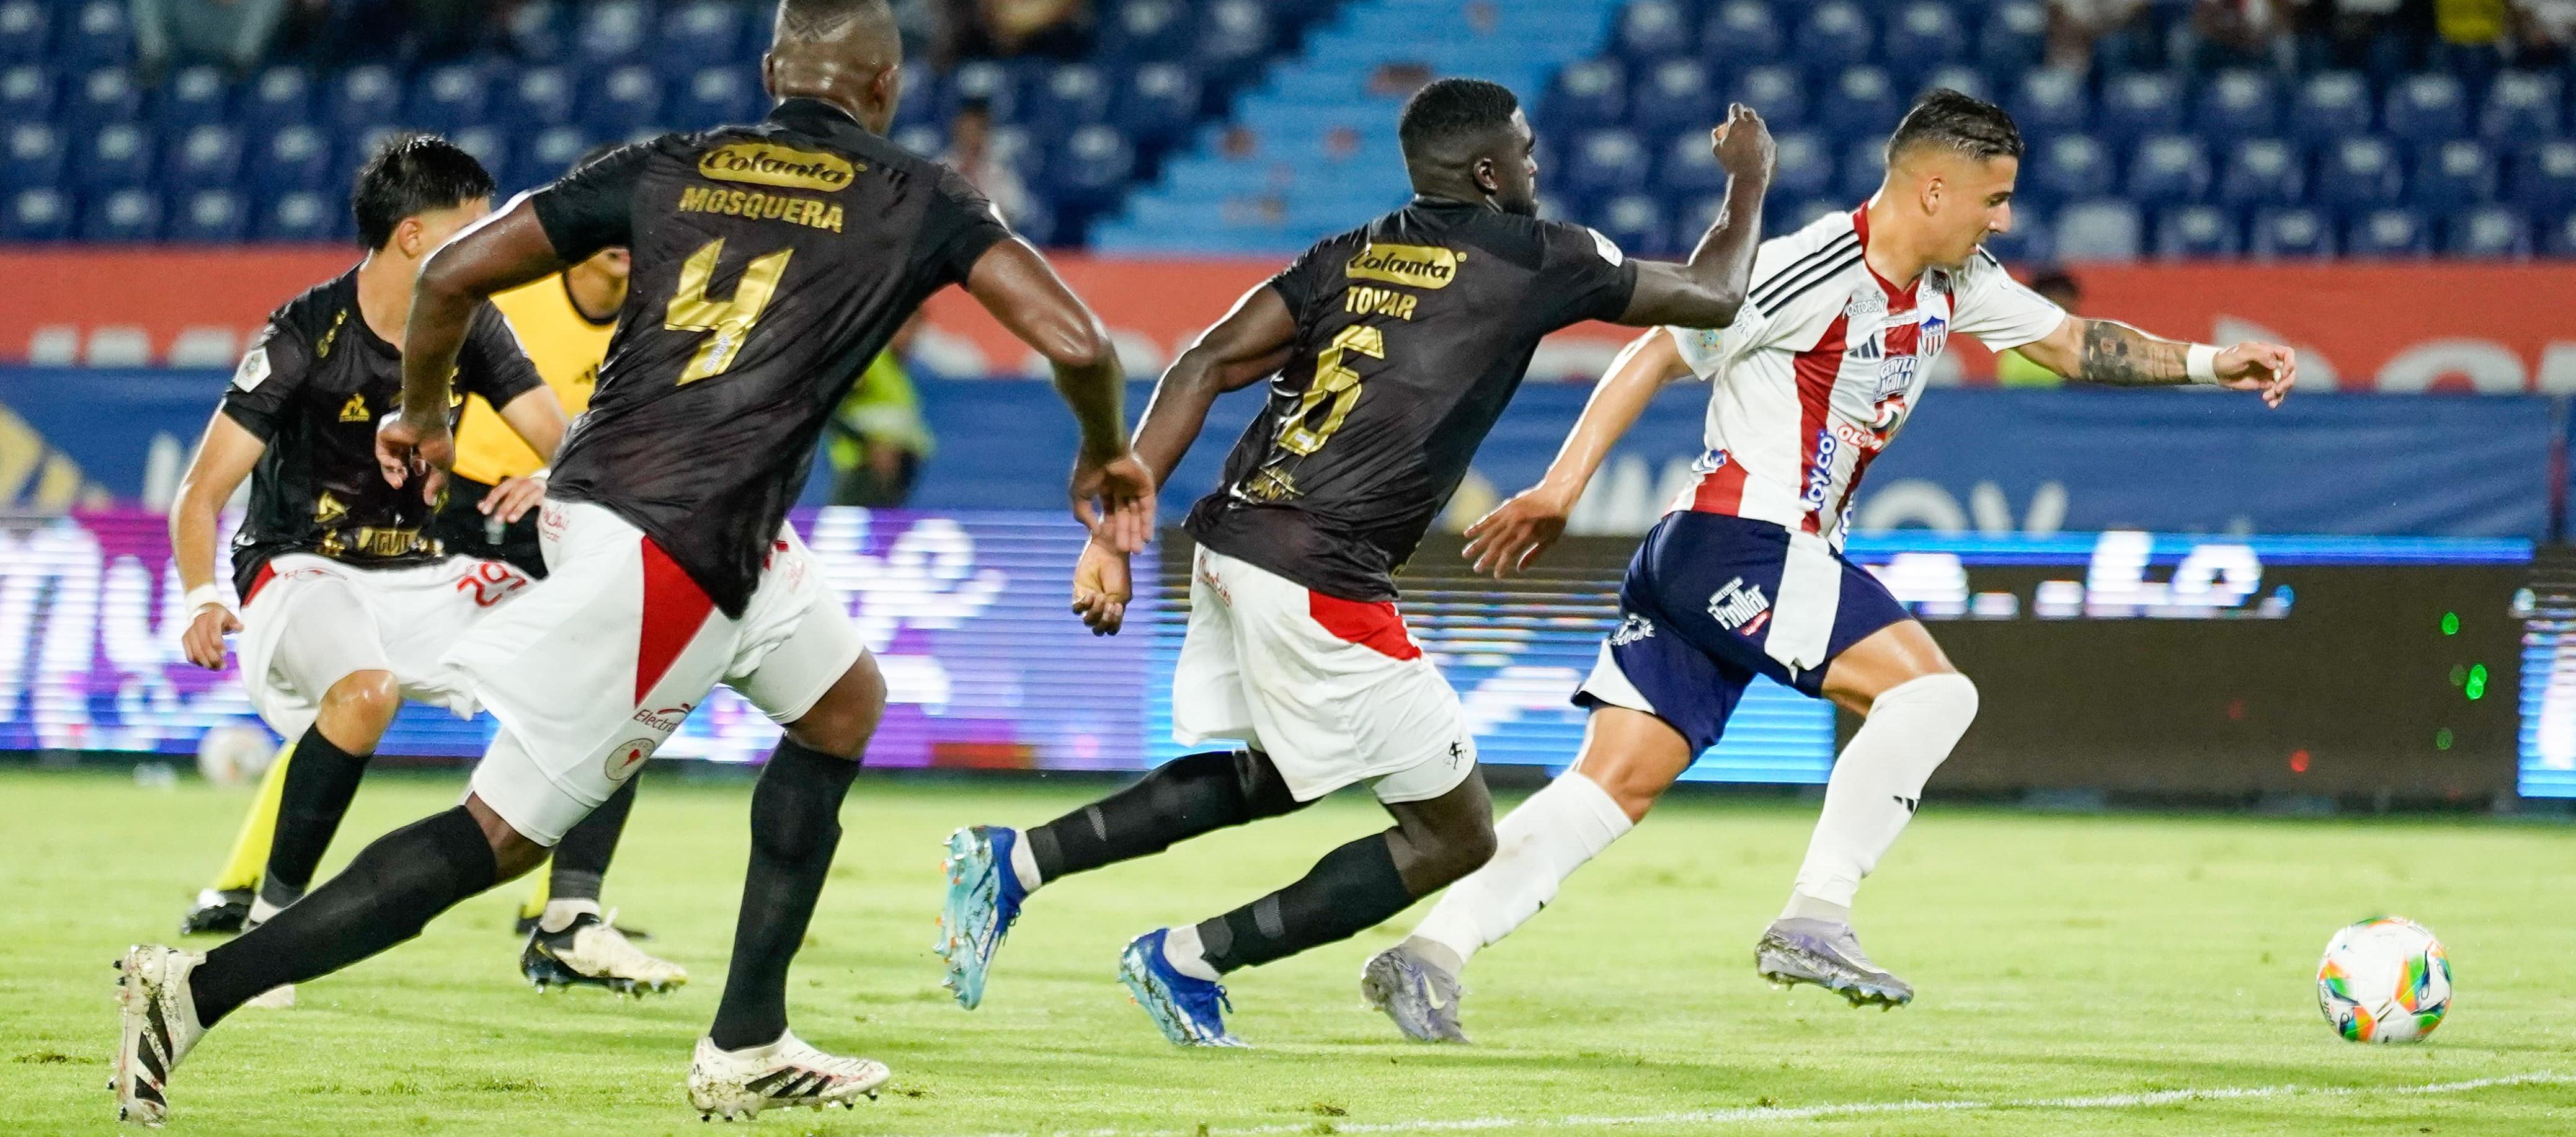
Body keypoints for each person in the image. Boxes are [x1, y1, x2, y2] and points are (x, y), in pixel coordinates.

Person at [111, 0, 1152, 1125]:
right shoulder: (918, 194)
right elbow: (1082, 342)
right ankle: (195, 991)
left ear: (771, 72)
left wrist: (422, 412)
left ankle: (747, 1036)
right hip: (667, 554)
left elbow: (454, 271)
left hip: (699, 528)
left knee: (845, 707)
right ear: (887, 88)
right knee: (500, 840)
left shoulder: (667, 162)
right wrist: (1103, 456)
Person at [1364, 89, 2298, 1042]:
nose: (2004, 219)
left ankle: (1428, 952)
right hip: (1750, 539)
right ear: (1933, 190)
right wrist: (1561, 489)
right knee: (1932, 696)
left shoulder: (1955, 280)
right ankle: (1815, 915)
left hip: (1706, 554)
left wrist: (2207, 362)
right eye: (1994, 198)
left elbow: (2069, 343)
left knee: (1613, 784)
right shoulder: (1809, 269)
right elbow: (1655, 350)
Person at [931, 78, 1776, 1047]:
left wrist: (1112, 530)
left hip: (1237, 537)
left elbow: (1201, 361)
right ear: (1491, 171)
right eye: (1528, 152)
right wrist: (1746, 185)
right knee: (1455, 833)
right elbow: (1714, 295)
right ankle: (1189, 956)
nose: (1538, 167)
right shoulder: (1539, 256)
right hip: (1320, 571)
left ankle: (1018, 860)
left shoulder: (1350, 254)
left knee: (1273, 774)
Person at [173, 148, 688, 998]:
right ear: (414, 237)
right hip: (301, 569)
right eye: (471, 227)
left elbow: (560, 442)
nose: (489, 242)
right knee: (364, 693)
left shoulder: (475, 322)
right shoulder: (304, 332)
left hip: (421, 571)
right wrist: (200, 594)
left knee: (610, 666)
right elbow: (201, 492)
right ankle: (268, 923)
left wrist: (564, 476)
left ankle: (567, 922)